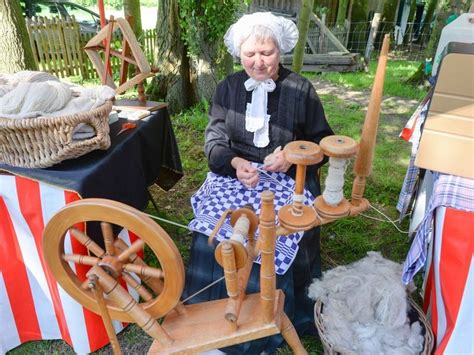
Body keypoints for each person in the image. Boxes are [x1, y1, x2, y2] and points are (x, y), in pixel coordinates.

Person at [184, 12, 334, 354]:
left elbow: (324, 142)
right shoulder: (228, 88)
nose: (258, 61)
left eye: (266, 53)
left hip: (287, 178)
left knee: (280, 228)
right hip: (237, 174)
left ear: (279, 51)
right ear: (240, 54)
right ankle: (211, 311)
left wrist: (292, 156)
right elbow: (214, 142)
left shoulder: (301, 89)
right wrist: (235, 163)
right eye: (250, 54)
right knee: (213, 220)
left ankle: (270, 319)